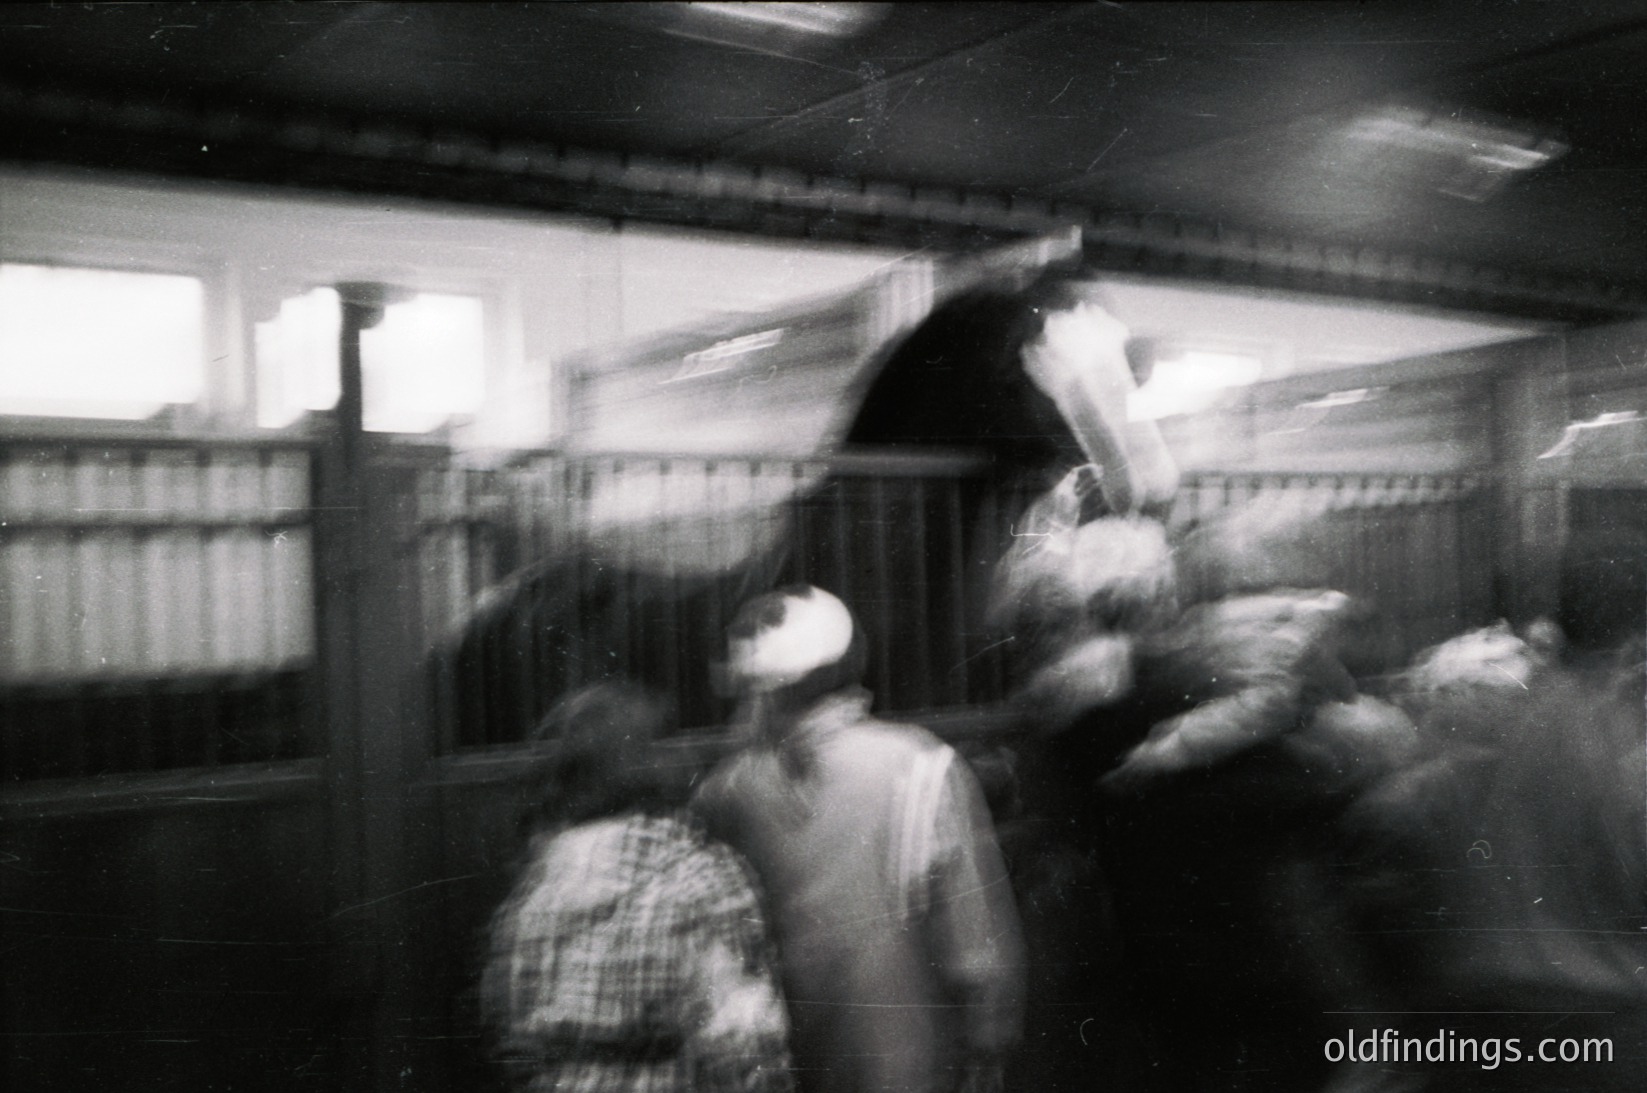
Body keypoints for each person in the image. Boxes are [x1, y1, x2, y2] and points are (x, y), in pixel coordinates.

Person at [692, 586, 1025, 1093]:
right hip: (910, 1065)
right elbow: (977, 943)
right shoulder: (921, 764)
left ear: (764, 693)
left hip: (785, 1068)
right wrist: (988, 1042)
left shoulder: (728, 790)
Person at [480, 681, 794, 1093]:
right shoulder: (700, 879)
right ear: (657, 763)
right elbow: (745, 1044)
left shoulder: (534, 892)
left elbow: (509, 1033)